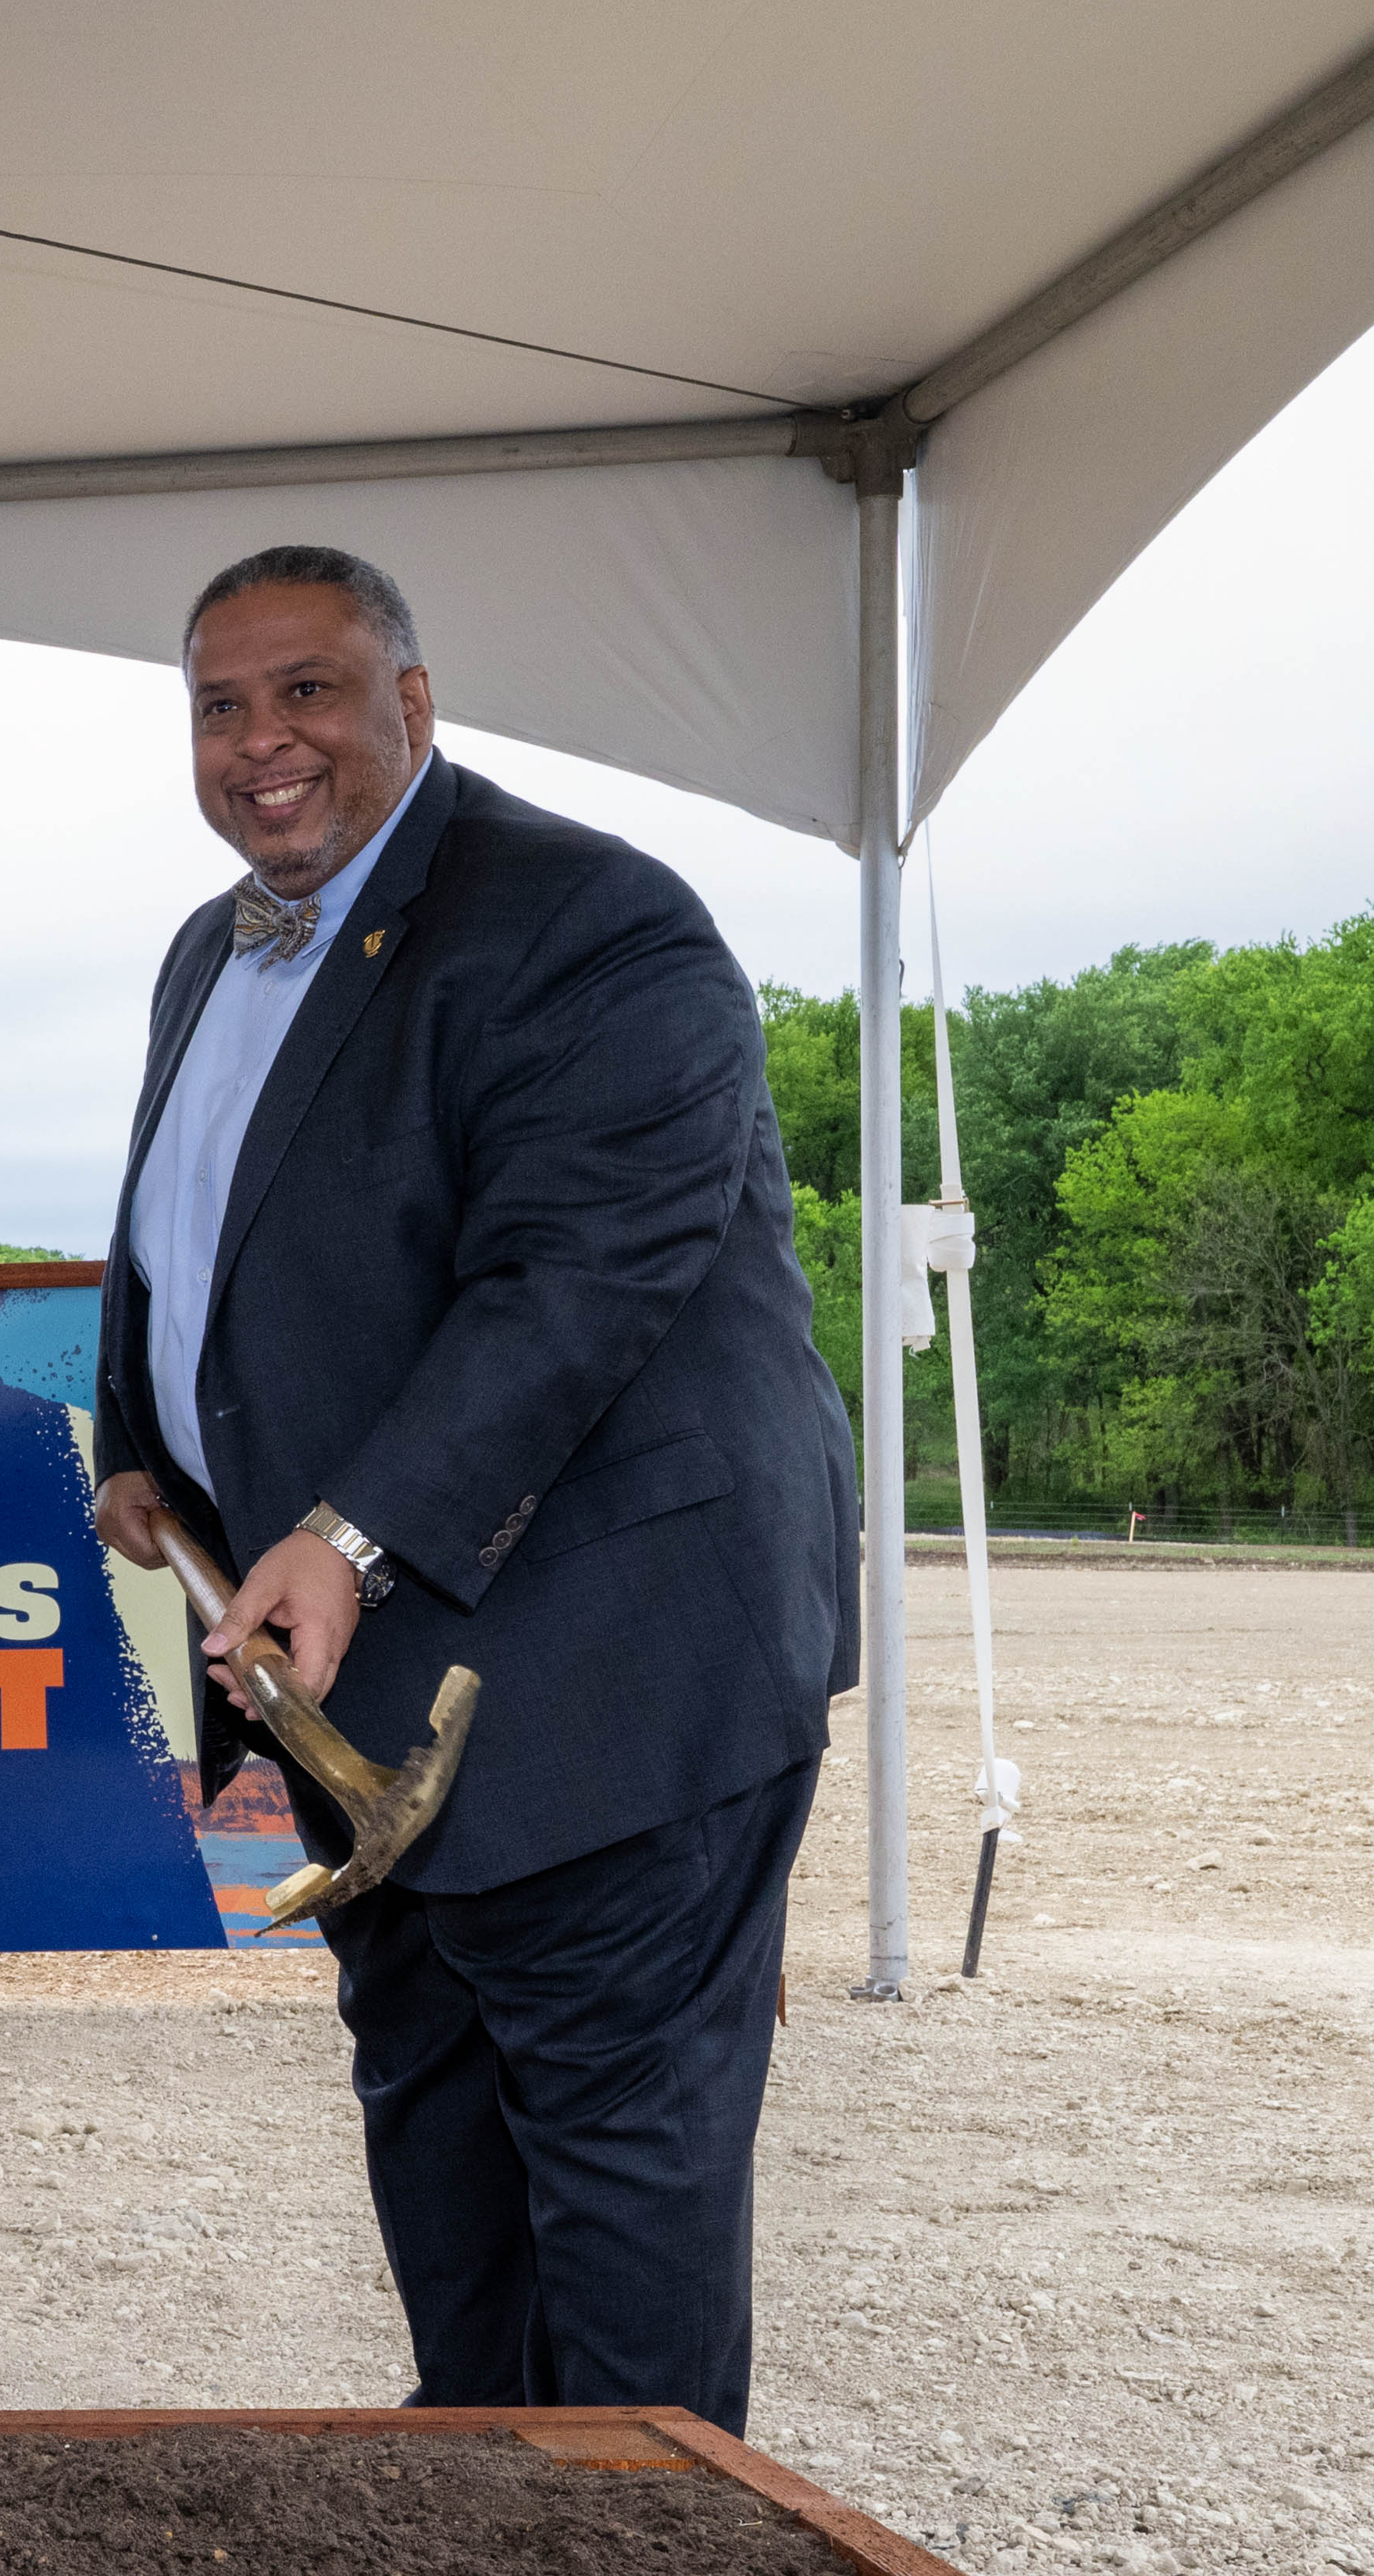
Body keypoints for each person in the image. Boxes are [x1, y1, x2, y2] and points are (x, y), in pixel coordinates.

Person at [88, 542, 858, 2435]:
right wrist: (141, 1443)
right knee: (436, 2146)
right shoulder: (212, 945)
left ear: (412, 705)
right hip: (373, 1707)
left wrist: (347, 1530)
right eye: (218, 703)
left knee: (615, 2184)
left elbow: (571, 1288)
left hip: (614, 1669)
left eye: (308, 690)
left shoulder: (590, 921)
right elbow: (197, 1239)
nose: (260, 742)